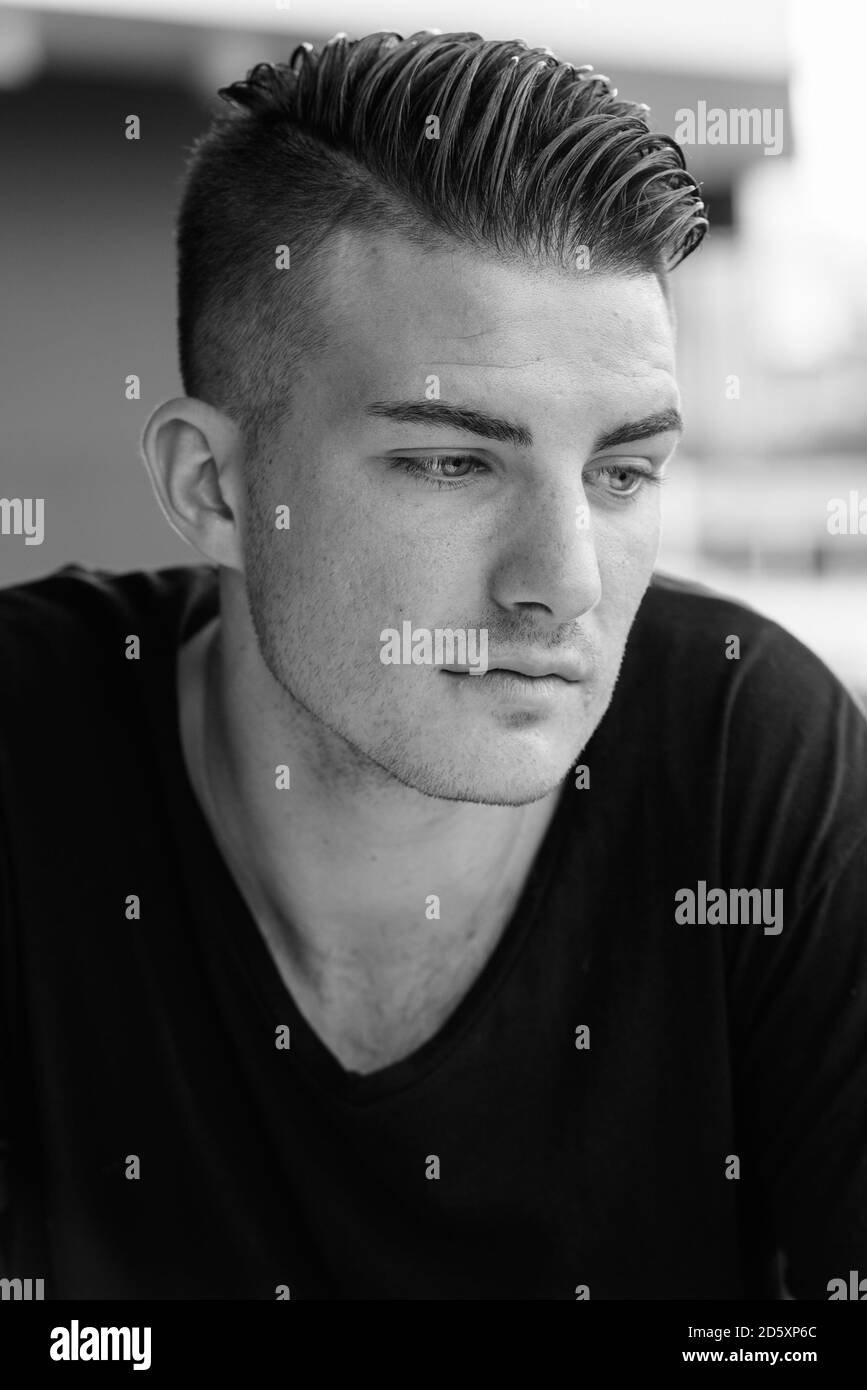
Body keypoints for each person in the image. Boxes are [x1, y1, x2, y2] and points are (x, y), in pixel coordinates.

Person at [1, 29, 865, 1302]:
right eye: (454, 463)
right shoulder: (27, 752)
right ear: (214, 487)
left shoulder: (752, 760)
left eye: (621, 473)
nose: (563, 581)